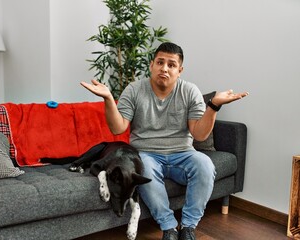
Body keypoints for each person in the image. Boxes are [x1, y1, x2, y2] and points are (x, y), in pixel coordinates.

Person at [81, 42, 248, 240]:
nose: (164, 68)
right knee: (144, 171)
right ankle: (169, 228)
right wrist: (108, 98)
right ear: (151, 65)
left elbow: (200, 135)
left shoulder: (190, 91)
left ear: (180, 70)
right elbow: (118, 128)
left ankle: (188, 227)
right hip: (146, 153)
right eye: (160, 62)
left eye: (171, 64)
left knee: (205, 164)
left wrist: (213, 106)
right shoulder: (134, 89)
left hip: (183, 153)